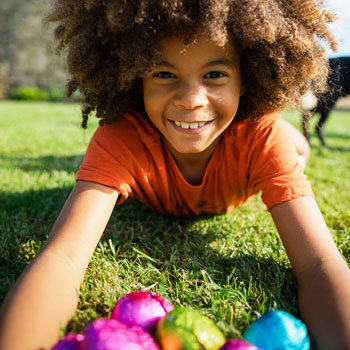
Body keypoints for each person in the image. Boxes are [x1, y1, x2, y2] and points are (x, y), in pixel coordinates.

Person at [0, 0, 349, 349]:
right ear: (137, 79)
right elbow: (62, 258)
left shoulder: (261, 138)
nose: (191, 99)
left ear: (246, 80)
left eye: (215, 74)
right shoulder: (120, 138)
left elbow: (319, 262)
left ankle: (299, 143)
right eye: (164, 74)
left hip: (268, 142)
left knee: (293, 145)